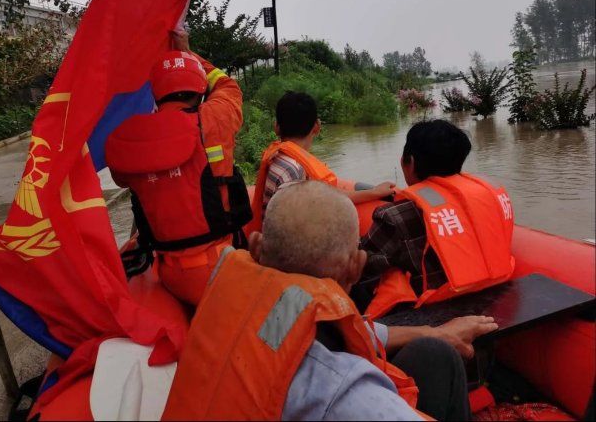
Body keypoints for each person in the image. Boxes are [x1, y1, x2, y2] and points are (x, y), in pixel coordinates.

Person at [163, 181, 498, 421]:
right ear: (355, 266)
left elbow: (325, 332)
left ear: (254, 247)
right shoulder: (342, 390)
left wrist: (434, 331)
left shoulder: (230, 307)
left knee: (433, 353)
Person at [105, 31, 251, 306]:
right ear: (199, 89)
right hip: (223, 266)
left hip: (169, 273)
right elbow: (228, 86)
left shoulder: (126, 139)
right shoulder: (214, 119)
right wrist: (188, 53)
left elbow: (122, 178)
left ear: (156, 94)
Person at [354, 119, 515, 318]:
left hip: (432, 313)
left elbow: (359, 265)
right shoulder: (488, 199)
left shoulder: (393, 216)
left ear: (410, 162)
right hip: (493, 295)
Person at [248, 91, 395, 233]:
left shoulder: (276, 157)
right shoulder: (295, 170)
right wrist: (374, 193)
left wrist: (374, 192)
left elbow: (330, 195)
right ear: (317, 127)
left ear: (276, 128)